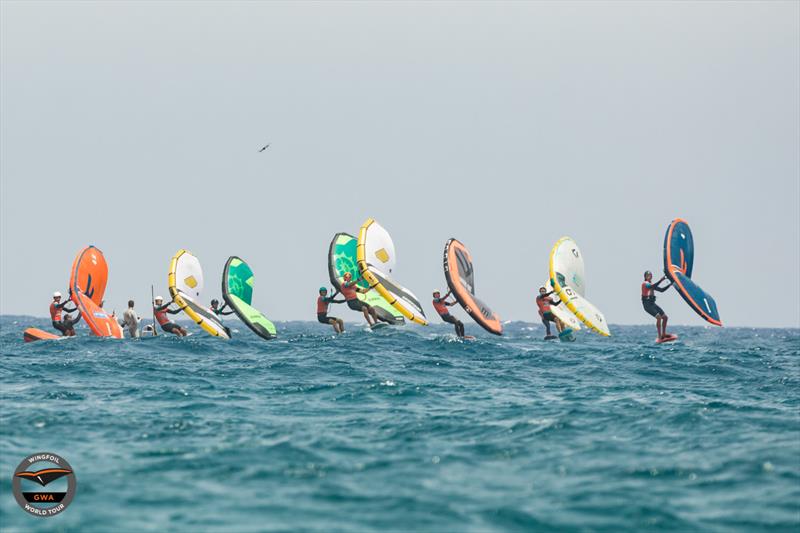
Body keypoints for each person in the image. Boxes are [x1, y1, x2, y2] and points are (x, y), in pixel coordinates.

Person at [642, 271, 673, 339]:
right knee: (659, 317)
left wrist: (670, 284)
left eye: (651, 275)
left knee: (665, 318)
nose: (650, 276)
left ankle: (663, 334)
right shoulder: (645, 284)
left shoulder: (651, 285)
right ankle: (659, 336)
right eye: (648, 275)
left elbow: (662, 290)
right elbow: (652, 286)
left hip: (652, 304)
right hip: (647, 305)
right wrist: (661, 280)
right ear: (645, 277)